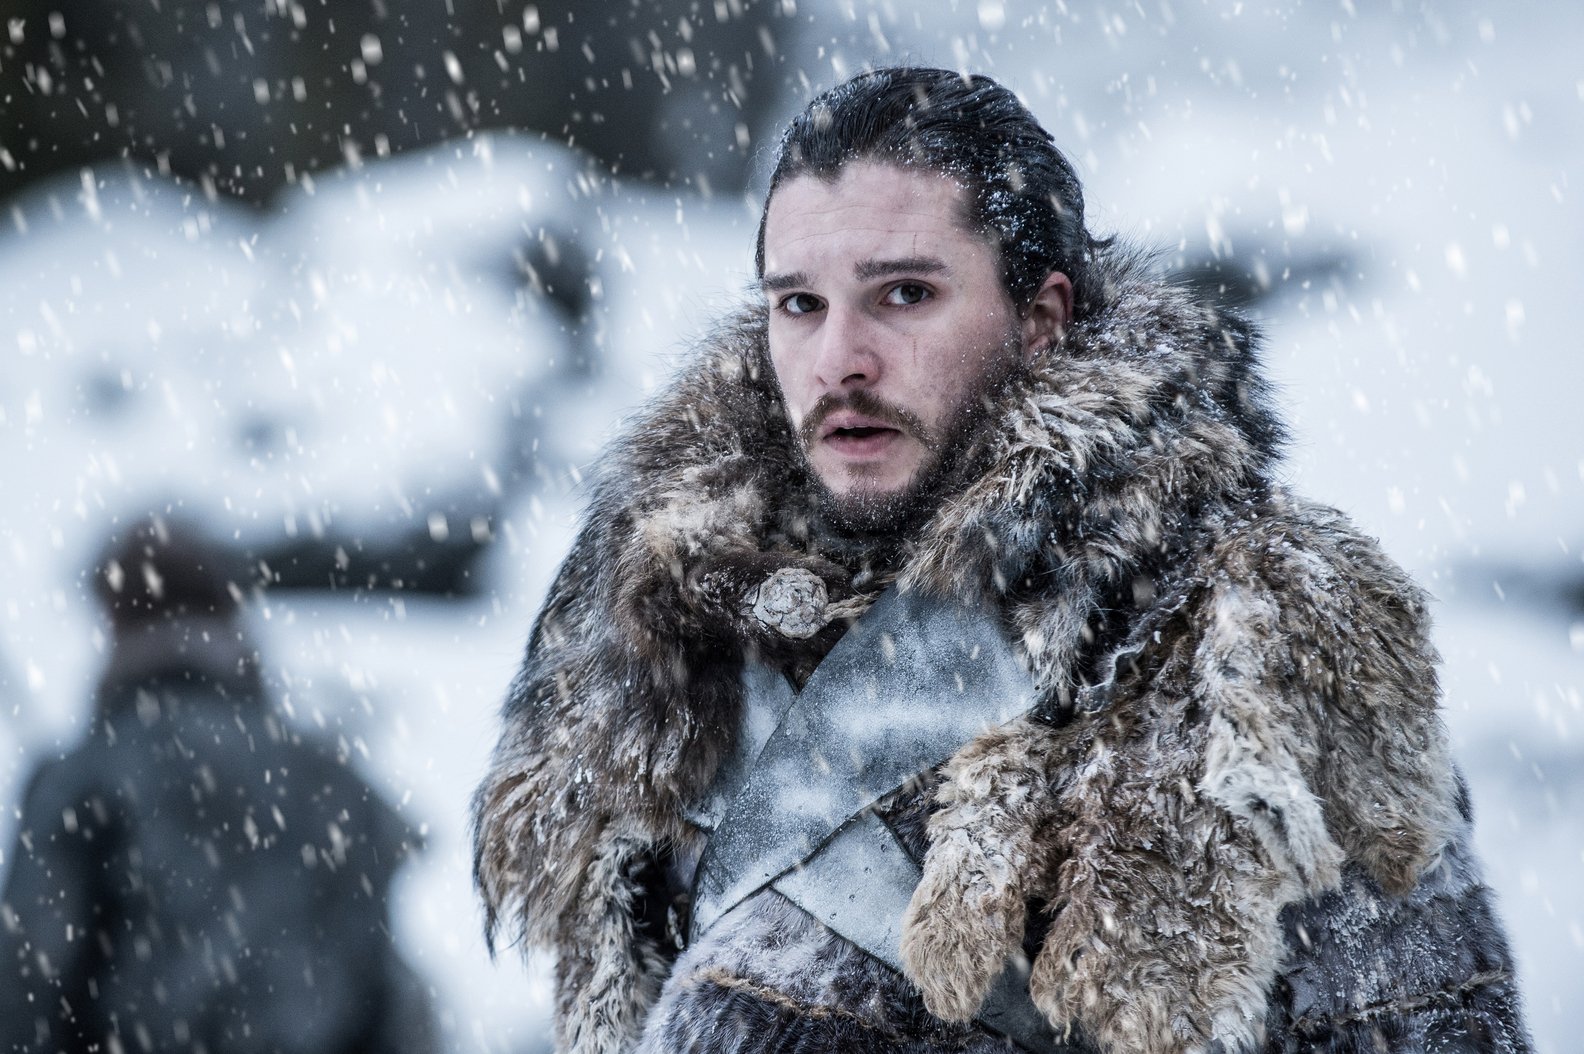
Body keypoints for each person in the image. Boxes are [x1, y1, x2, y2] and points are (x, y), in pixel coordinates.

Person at [470, 67, 1532, 1054]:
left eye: (905, 295)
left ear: (1040, 321)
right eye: (800, 303)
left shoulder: (1251, 637)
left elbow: (1426, 1021)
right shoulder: (661, 638)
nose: (840, 357)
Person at [1, 514, 436, 1054]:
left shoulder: (85, 779)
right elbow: (392, 998)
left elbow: (26, 989)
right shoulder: (329, 778)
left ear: (116, 621)